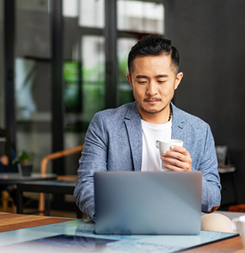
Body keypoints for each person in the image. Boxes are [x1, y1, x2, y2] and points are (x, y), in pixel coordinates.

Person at [74, 35, 221, 221]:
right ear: (130, 80)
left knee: (219, 224)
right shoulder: (105, 124)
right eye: (142, 81)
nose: (152, 90)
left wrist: (190, 177)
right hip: (121, 221)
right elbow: (86, 187)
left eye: (161, 80)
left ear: (177, 80)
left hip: (176, 222)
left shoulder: (199, 130)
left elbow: (213, 199)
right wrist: (117, 217)